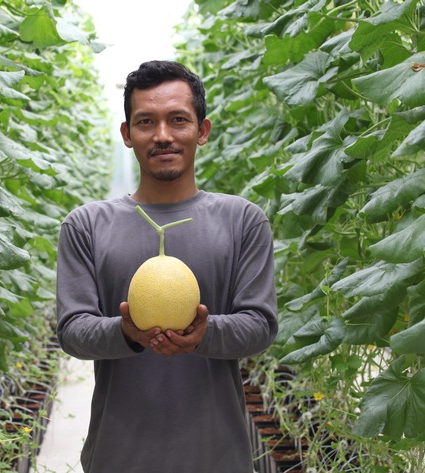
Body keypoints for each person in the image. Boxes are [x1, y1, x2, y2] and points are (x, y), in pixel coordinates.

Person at [56, 60, 278, 473]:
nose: (162, 135)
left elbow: (261, 325)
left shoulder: (243, 220)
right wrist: (125, 331)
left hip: (219, 458)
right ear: (127, 134)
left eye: (178, 120)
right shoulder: (85, 225)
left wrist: (203, 333)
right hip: (116, 458)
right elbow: (72, 333)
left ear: (202, 130)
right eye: (145, 122)